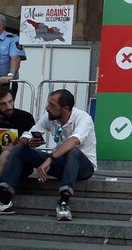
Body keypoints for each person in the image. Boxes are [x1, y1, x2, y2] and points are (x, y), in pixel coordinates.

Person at [0, 89, 97, 220]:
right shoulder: (50, 117)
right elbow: (26, 135)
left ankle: (63, 203)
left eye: (52, 105)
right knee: (19, 149)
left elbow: (74, 141)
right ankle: (5, 201)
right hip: (60, 164)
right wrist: (29, 141)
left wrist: (50, 159)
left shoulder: (83, 118)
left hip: (83, 168)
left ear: (65, 108)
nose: (47, 108)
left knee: (72, 151)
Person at [0, 86, 35, 175]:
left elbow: (32, 146)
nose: (8, 107)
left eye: (10, 101)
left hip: (21, 161)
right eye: (3, 104)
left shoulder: (26, 117)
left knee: (6, 154)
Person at [0, 15, 26, 99]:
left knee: (4, 109)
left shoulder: (12, 39)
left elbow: (15, 58)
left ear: (1, 26)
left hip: (5, 83)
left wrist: (10, 75)